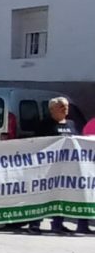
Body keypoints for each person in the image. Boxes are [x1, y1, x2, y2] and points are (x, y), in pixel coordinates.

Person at [29, 97, 87, 235]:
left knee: (62, 196)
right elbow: (37, 144)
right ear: (52, 110)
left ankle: (57, 224)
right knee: (44, 196)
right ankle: (35, 224)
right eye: (61, 106)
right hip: (49, 168)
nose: (65, 109)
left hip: (67, 168)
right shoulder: (45, 125)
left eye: (66, 106)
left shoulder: (72, 124)